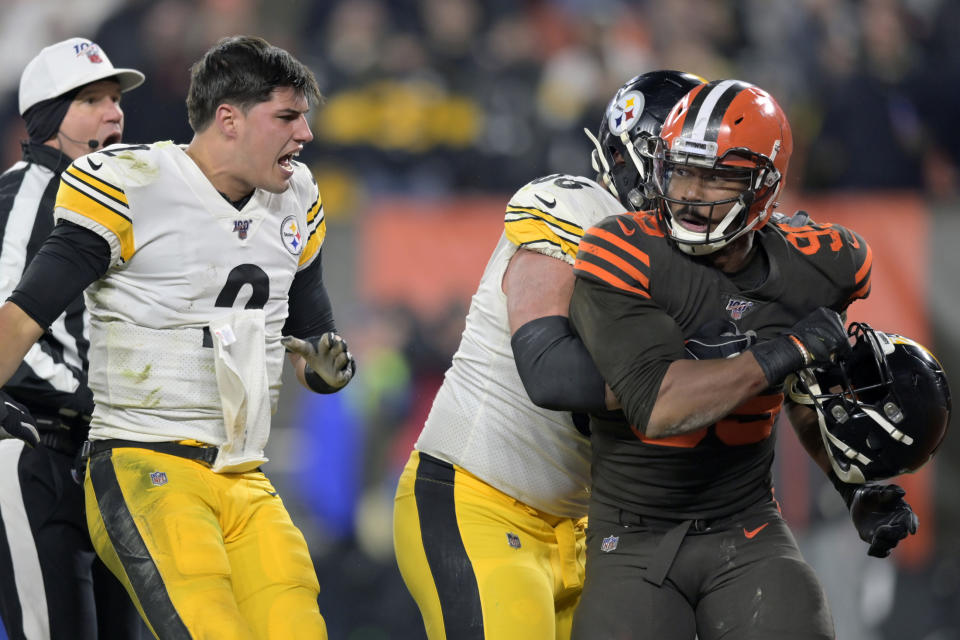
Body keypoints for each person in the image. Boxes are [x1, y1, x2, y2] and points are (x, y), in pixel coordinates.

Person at [0, 35, 355, 639]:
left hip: (239, 469)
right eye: (288, 116)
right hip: (122, 454)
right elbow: (18, 316)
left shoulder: (295, 196)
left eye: (115, 99)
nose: (306, 134)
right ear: (229, 119)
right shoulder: (124, 186)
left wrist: (326, 370)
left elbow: (313, 338)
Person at [566, 79, 918, 639]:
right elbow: (660, 405)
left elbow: (807, 394)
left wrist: (855, 485)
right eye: (682, 170)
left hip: (746, 524)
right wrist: (785, 350)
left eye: (718, 176)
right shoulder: (620, 248)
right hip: (633, 535)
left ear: (765, 187)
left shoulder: (823, 266)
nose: (692, 192)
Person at [392, 71, 704, 639]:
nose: (699, 190)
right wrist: (678, 382)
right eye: (686, 169)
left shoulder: (696, 269)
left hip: (583, 533)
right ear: (639, 158)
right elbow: (549, 371)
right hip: (478, 503)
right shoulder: (578, 208)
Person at [0, 37, 150, 640]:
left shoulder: (117, 204)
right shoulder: (26, 193)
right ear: (48, 120)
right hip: (32, 445)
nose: (115, 113)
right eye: (92, 99)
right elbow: (7, 321)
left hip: (101, 460)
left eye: (116, 99)